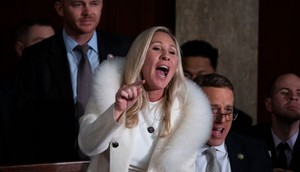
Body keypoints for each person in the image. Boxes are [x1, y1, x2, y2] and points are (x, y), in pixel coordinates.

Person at [9, 0, 133, 165]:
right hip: (55, 161)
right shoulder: (35, 57)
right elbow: (24, 125)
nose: (88, 11)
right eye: (78, 4)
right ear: (60, 9)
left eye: (94, 3)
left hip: (111, 160)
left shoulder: (125, 48)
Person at [78, 26, 213, 171]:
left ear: (176, 67)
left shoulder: (188, 114)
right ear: (140, 57)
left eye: (172, 52)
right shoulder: (109, 92)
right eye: (157, 48)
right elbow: (87, 146)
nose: (166, 56)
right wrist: (117, 110)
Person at [194, 73, 272, 172]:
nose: (222, 120)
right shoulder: (172, 151)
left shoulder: (256, 152)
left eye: (228, 110)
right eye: (213, 109)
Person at [181, 39, 253, 134]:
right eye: (186, 75)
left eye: (202, 75)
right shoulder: (168, 113)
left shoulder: (241, 123)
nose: (194, 82)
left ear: (214, 72)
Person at [251, 73, 300, 172]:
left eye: (299, 93)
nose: (294, 97)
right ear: (269, 104)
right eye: (285, 92)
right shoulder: (249, 140)